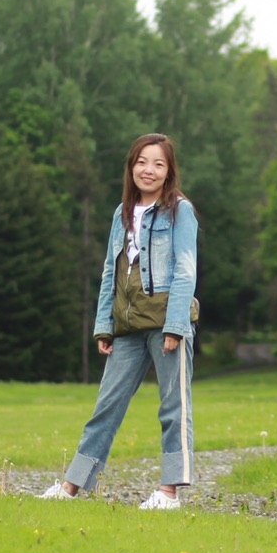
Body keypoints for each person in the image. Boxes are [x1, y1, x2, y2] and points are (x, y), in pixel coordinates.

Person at [42, 134, 199, 510]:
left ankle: (169, 492)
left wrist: (176, 326)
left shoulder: (180, 210)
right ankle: (73, 485)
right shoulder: (122, 213)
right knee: (105, 407)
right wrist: (104, 326)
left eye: (159, 164)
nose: (149, 170)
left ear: (169, 171)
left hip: (166, 324)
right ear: (132, 166)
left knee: (173, 407)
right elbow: (110, 271)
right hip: (127, 327)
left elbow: (185, 269)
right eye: (143, 162)